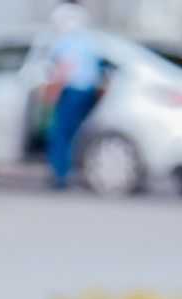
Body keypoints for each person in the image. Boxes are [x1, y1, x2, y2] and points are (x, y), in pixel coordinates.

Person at [45, 3, 103, 189]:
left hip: (71, 91)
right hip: (87, 92)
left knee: (60, 133)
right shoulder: (88, 41)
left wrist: (52, 91)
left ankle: (59, 175)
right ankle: (66, 171)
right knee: (72, 134)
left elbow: (64, 67)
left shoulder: (66, 41)